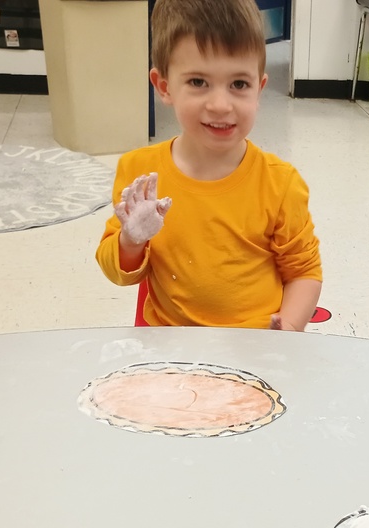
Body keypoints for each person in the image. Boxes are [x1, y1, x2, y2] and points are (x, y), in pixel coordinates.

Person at [95, 0, 322, 330]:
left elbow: (304, 272)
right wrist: (131, 240)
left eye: (239, 84)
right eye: (198, 82)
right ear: (164, 87)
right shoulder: (140, 172)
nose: (220, 105)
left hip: (255, 341)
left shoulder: (280, 184)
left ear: (259, 89)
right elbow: (118, 272)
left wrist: (285, 332)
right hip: (170, 340)